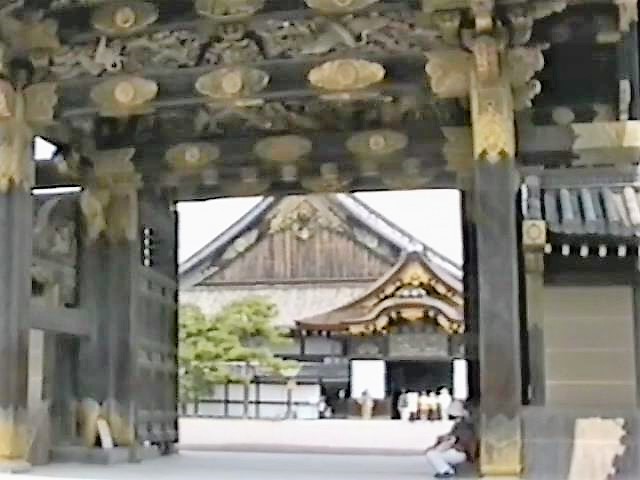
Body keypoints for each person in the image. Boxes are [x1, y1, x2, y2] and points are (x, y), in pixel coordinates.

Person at [424, 401, 477, 478]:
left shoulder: (465, 427)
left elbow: (461, 442)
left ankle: (447, 471)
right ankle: (446, 470)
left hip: (461, 453)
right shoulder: (459, 425)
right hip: (458, 451)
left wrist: (450, 442)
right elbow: (452, 436)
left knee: (432, 454)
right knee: (433, 453)